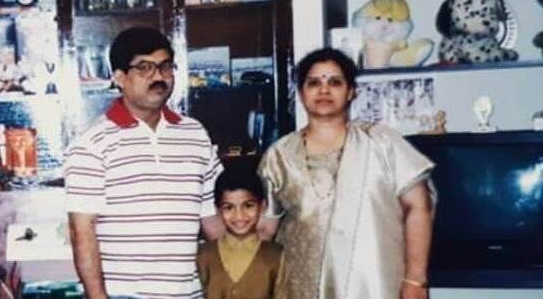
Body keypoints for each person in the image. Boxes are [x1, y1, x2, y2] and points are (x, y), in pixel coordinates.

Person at [257, 47, 435, 299]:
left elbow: (419, 207)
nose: (324, 90)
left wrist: (416, 279)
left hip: (374, 284)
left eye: (335, 82)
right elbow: (266, 228)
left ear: (351, 92)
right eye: (314, 83)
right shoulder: (279, 155)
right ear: (301, 93)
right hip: (300, 286)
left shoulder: (382, 143)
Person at [65, 27, 224, 299]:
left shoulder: (195, 134)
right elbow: (82, 231)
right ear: (119, 77)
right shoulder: (91, 144)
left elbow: (211, 219)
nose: (159, 77)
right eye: (145, 68)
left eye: (165, 67)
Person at [197, 164, 283, 299]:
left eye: (248, 206)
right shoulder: (203, 256)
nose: (239, 216)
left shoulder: (278, 257)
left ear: (263, 206)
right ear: (218, 210)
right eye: (229, 207)